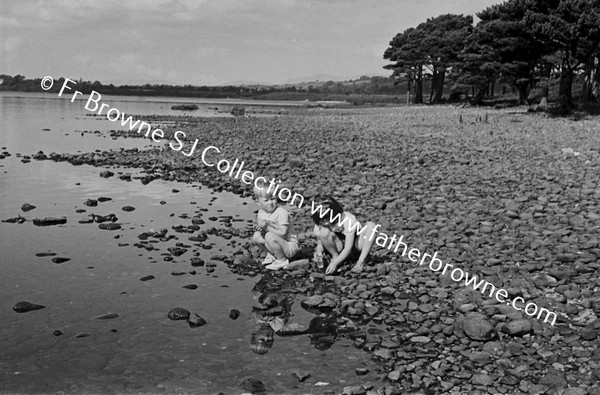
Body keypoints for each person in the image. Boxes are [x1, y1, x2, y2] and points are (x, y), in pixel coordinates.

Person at [312, 196, 377, 274]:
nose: (325, 223)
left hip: (354, 246)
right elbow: (320, 242)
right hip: (337, 246)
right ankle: (335, 257)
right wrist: (319, 252)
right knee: (324, 231)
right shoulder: (320, 222)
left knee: (371, 226)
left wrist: (335, 264)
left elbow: (348, 247)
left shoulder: (348, 220)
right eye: (322, 221)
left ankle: (360, 261)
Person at [252, 183, 299, 270]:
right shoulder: (261, 213)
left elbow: (283, 233)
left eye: (273, 199)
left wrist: (267, 227)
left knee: (269, 235)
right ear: (258, 202)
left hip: (289, 246)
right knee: (256, 236)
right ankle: (271, 254)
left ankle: (282, 260)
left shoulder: (281, 212)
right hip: (276, 242)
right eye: (266, 200)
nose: (270, 203)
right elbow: (264, 231)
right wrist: (260, 228)